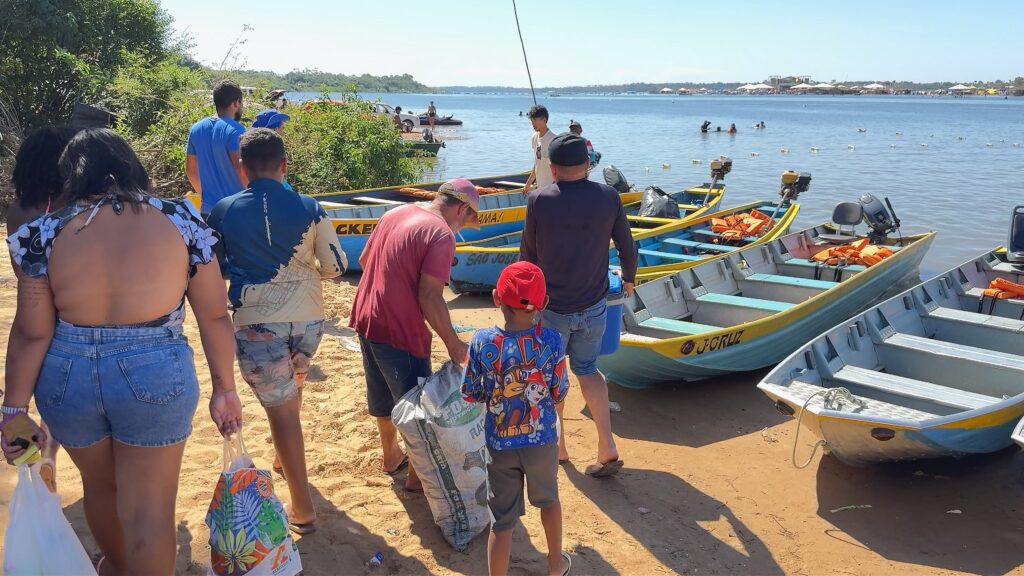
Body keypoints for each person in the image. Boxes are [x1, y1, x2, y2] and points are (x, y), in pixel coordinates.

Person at [3, 128, 243, 575]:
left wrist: (13, 410)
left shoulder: (44, 231)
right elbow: (213, 315)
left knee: (100, 486)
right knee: (149, 509)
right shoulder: (181, 219)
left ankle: (115, 566)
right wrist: (224, 388)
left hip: (66, 372)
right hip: (155, 367)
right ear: (132, 165)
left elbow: (32, 332)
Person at [207, 128, 347, 536]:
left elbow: (214, 268)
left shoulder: (224, 210)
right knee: (292, 388)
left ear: (241, 168)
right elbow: (336, 266)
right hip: (308, 320)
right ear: (284, 165)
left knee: (281, 410)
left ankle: (303, 510)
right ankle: (286, 461)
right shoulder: (309, 206)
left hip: (256, 322)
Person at [350, 178, 479, 492]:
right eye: (469, 217)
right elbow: (430, 296)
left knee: (381, 394)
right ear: (461, 208)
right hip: (399, 329)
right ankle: (415, 480)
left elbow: (364, 262)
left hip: (366, 317)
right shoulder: (441, 235)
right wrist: (453, 343)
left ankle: (390, 456)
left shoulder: (396, 213)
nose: (465, 225)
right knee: (415, 408)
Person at [520, 133, 637, 477]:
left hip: (550, 309)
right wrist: (629, 278)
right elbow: (627, 245)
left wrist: (522, 302)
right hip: (594, 306)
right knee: (588, 371)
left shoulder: (539, 200)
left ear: (552, 169)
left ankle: (560, 448)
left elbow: (527, 255)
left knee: (552, 376)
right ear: (588, 166)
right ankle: (607, 445)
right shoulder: (608, 196)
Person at [462, 261, 572, 576]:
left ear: (497, 298)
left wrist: (495, 395)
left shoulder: (482, 342)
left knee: (502, 522)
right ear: (544, 304)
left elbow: (470, 392)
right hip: (541, 443)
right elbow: (559, 389)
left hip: (499, 444)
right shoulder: (551, 341)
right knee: (549, 501)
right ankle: (555, 565)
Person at [5, 125, 80, 493]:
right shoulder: (76, 205)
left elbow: (23, 270)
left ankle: (29, 453)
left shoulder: (17, 210)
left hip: (32, 307)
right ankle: (49, 451)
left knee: (26, 391)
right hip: (71, 308)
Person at [186, 79, 249, 217]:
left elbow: (191, 171)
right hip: (235, 211)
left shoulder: (196, 129)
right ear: (236, 102)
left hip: (207, 212)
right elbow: (241, 168)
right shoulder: (236, 130)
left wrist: (205, 195)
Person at [524, 105, 555, 194]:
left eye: (535, 120)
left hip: (552, 189)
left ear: (544, 120)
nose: (533, 124)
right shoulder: (534, 137)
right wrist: (528, 184)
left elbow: (559, 168)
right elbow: (537, 162)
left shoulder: (553, 140)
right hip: (539, 188)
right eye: (531, 121)